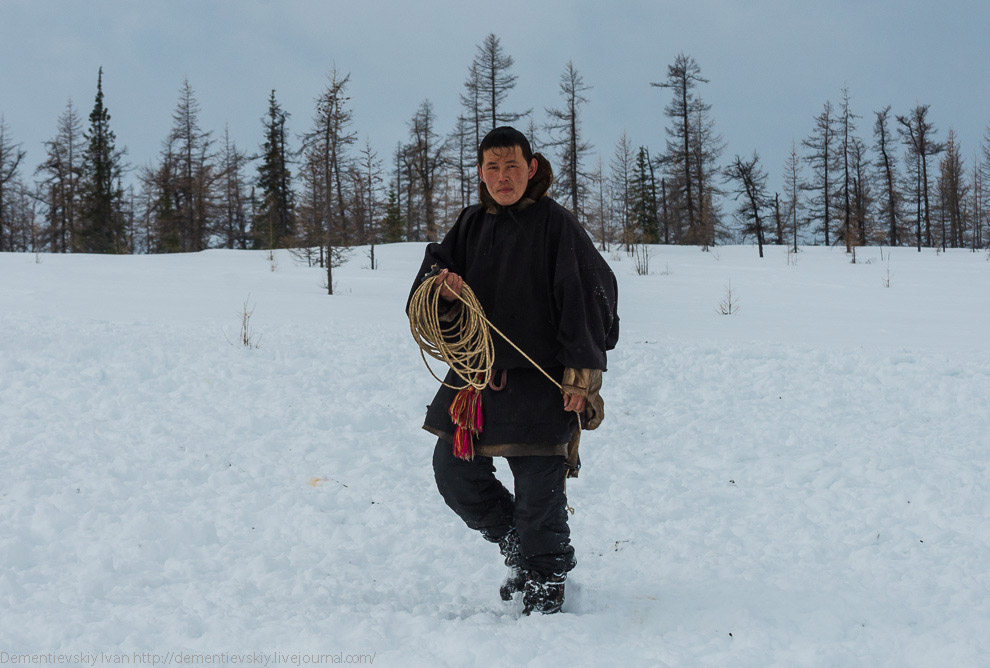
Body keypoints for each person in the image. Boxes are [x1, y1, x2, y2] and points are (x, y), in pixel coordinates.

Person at [406, 126, 619, 615]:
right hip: (475, 381)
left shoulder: (556, 225)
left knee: (539, 496)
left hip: (542, 386)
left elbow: (590, 295)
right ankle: (517, 545)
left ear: (532, 168)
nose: (503, 177)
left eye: (512, 167)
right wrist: (441, 289)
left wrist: (582, 375)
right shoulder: (469, 223)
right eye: (493, 168)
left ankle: (547, 580)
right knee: (454, 474)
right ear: (481, 173)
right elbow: (429, 278)